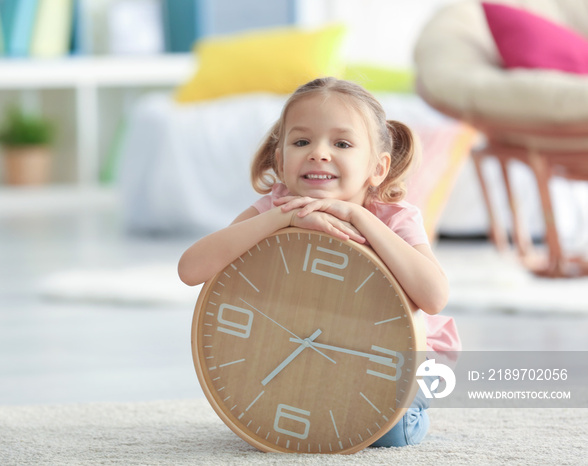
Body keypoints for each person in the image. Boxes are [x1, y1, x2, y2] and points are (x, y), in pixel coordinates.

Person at [178, 77, 460, 447]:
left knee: (386, 432)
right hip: (311, 351)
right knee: (282, 420)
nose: (319, 153)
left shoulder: (392, 217)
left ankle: (411, 415)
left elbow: (434, 297)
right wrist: (283, 219)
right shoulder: (275, 208)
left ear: (378, 167)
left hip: (396, 355)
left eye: (341, 143)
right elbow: (190, 269)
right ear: (280, 161)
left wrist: (362, 220)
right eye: (301, 142)